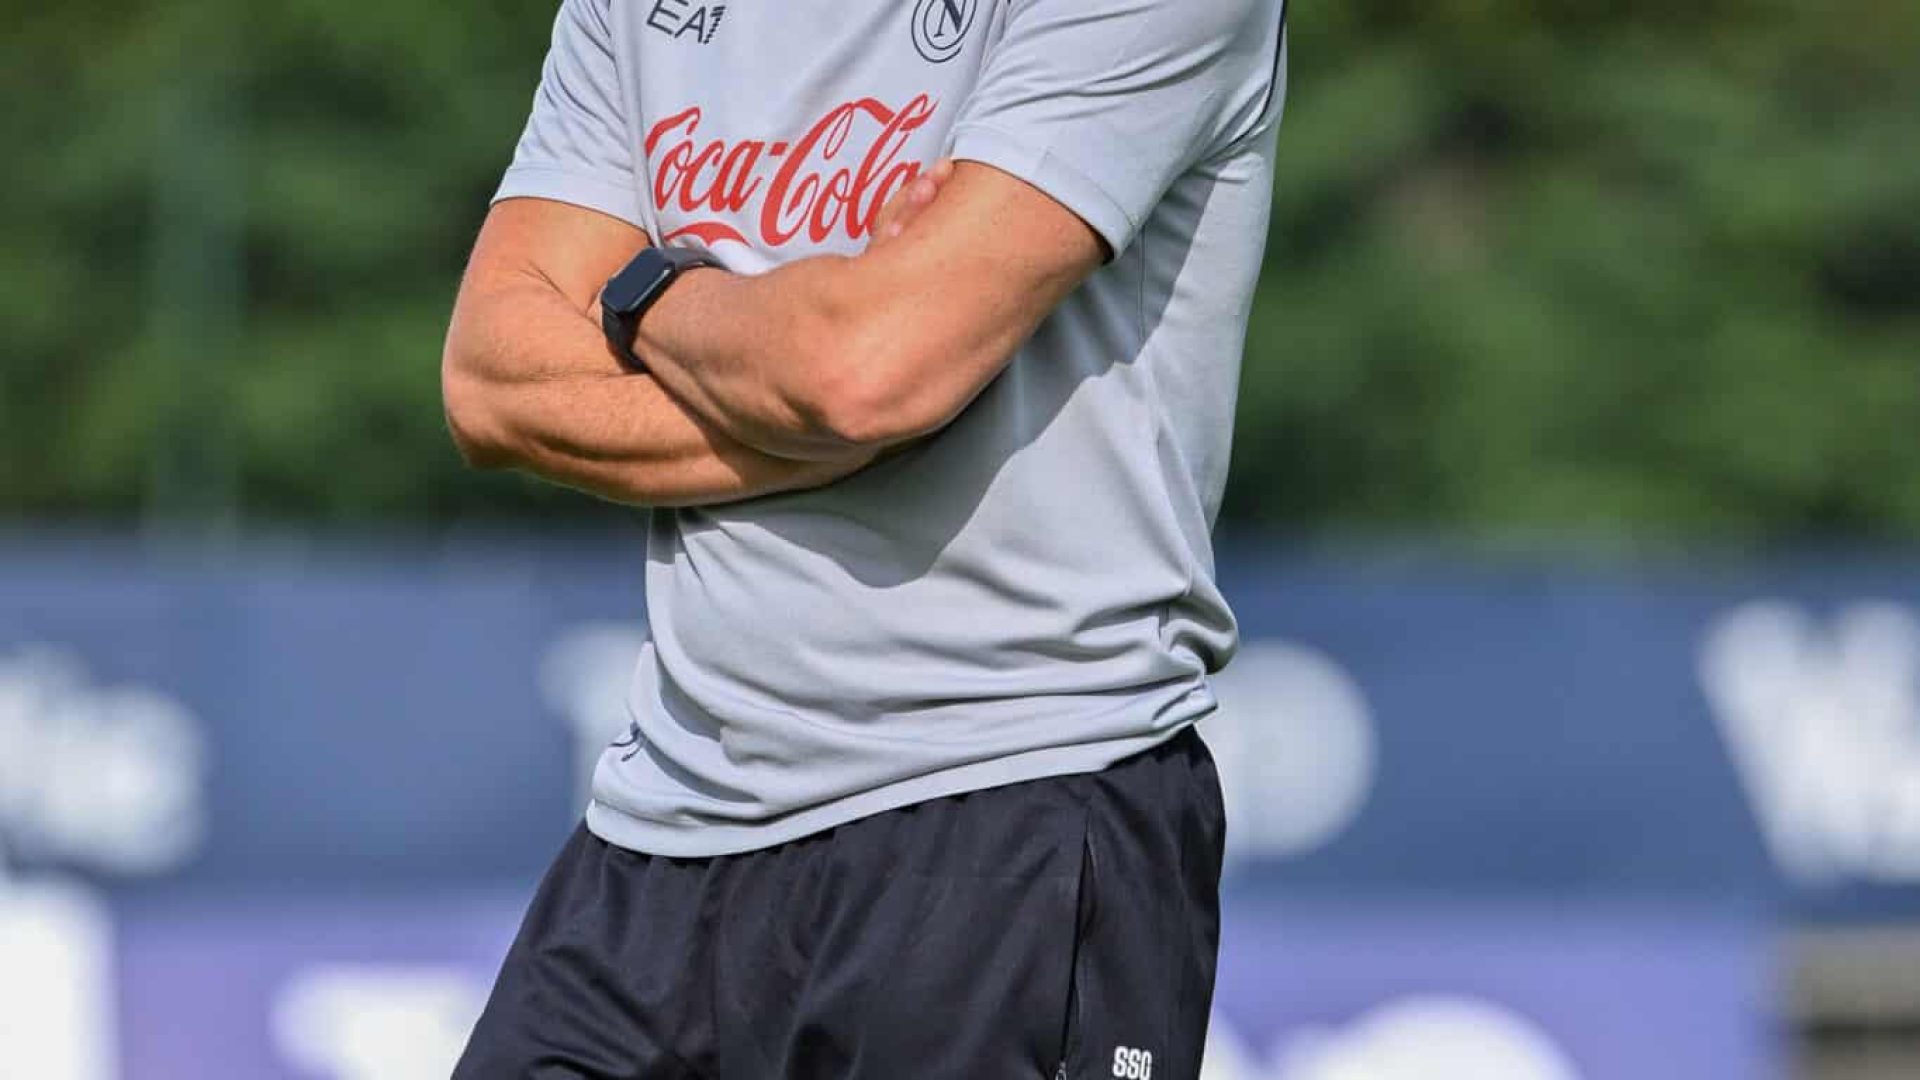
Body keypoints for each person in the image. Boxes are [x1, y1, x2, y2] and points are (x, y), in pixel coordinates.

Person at [442, 0, 1287, 1075]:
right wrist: (797, 376)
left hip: (1013, 801)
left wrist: (644, 290)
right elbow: (490, 381)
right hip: (664, 819)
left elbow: (865, 371)